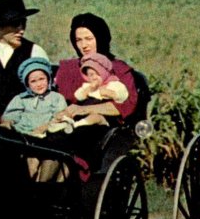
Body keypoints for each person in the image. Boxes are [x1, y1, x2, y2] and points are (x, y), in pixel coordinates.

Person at [51, 12, 139, 174]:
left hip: (100, 130)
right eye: (79, 40)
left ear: (100, 38)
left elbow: (125, 106)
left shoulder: (118, 69)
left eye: (89, 39)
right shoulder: (68, 69)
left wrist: (84, 109)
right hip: (66, 122)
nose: (84, 45)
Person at [0, 57, 68, 181]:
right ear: (27, 84)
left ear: (48, 79)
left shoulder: (56, 97)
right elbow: (11, 115)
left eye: (42, 79)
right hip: (24, 135)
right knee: (30, 165)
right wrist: (7, 122)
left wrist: (45, 127)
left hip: (45, 136)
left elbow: (59, 116)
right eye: (33, 81)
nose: (38, 84)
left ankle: (39, 186)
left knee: (40, 161)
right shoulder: (20, 99)